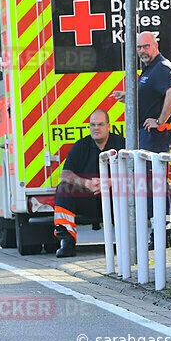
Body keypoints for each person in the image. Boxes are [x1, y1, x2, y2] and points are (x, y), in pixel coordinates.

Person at [111, 31, 171, 246]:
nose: (142, 51)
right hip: (148, 136)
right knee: (150, 185)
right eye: (139, 47)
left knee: (154, 184)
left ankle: (162, 233)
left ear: (155, 46)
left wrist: (160, 120)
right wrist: (129, 97)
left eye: (146, 46)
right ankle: (159, 231)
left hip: (156, 135)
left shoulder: (161, 67)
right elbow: (150, 96)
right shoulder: (150, 69)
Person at [53, 109, 125, 258]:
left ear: (108, 126)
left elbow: (137, 172)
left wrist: (111, 182)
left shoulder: (122, 144)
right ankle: (66, 242)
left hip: (115, 201)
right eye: (92, 125)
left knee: (135, 188)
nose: (96, 128)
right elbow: (65, 174)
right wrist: (86, 183)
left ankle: (130, 242)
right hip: (87, 200)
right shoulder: (82, 145)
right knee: (63, 188)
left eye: (100, 124)